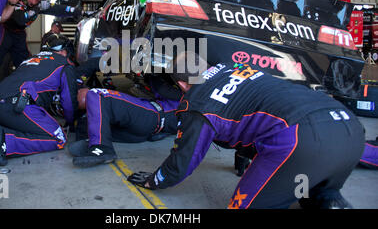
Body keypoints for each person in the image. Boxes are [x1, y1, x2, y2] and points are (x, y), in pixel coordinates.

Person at [128, 53, 365, 209]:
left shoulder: (197, 103)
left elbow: (183, 161)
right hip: (350, 130)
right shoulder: (237, 67)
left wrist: (154, 180)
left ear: (181, 85)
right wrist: (243, 156)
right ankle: (328, 199)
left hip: (301, 140)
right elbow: (252, 113)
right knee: (309, 193)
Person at [0, 34, 79, 166]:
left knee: (34, 125)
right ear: (63, 52)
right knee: (59, 138)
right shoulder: (65, 65)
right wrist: (70, 121)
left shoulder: (30, 59)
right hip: (17, 104)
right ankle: (7, 142)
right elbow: (68, 100)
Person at [68, 74, 182, 167]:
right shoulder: (192, 101)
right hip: (145, 131)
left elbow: (162, 89)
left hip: (151, 114)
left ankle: (101, 149)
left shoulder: (190, 95)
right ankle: (93, 144)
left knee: (97, 94)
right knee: (85, 123)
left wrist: (152, 74)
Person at [0, 0, 81, 70]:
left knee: (24, 64)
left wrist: (79, 12)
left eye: (37, 0)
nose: (33, 2)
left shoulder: (39, 5)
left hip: (19, 35)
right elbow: (20, 19)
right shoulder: (18, 0)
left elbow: (59, 9)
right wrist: (37, 8)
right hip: (3, 32)